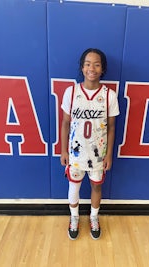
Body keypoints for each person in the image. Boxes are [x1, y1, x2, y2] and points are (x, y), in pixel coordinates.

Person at [60, 48, 120, 240]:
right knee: (74, 187)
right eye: (87, 64)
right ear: (82, 67)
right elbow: (65, 123)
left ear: (102, 69)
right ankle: (74, 218)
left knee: (96, 187)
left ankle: (94, 217)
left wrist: (109, 154)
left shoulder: (109, 95)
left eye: (96, 64)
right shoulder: (72, 92)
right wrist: (63, 151)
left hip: (98, 154)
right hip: (76, 153)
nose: (91, 68)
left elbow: (111, 127)